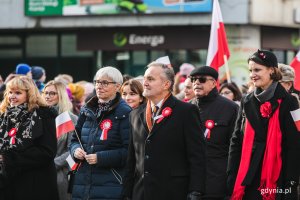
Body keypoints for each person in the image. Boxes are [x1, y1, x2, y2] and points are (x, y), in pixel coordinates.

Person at [122, 61, 206, 200]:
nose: (145, 83)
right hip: (141, 192)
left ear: (166, 84)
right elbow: (132, 158)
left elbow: (197, 155)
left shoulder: (186, 111)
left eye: (150, 79)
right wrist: (126, 192)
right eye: (145, 78)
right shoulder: (135, 114)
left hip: (173, 192)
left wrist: (195, 191)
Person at [227, 49, 300, 200]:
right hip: (246, 177)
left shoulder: (290, 102)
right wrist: (231, 176)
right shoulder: (246, 101)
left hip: (277, 178)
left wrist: (291, 184)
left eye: (257, 70)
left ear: (272, 71)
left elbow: (295, 145)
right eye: (250, 70)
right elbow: (236, 141)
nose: (252, 74)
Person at [69, 66, 132, 200]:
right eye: (97, 82)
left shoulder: (125, 112)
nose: (99, 86)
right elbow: (74, 140)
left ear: (117, 86)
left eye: (105, 83)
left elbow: (129, 152)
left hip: (111, 184)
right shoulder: (86, 109)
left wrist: (100, 157)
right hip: (82, 183)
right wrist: (75, 151)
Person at [0, 75, 58, 200]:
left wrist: (8, 157)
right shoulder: (5, 116)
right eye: (10, 92)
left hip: (35, 184)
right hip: (8, 182)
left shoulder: (43, 115)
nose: (12, 96)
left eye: (18, 93)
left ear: (29, 94)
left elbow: (47, 152)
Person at [189, 66, 239, 200]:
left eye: (201, 79)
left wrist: (231, 181)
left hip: (217, 179)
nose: (196, 83)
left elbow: (235, 148)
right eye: (193, 79)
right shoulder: (187, 108)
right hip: (190, 180)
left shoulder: (230, 108)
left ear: (213, 83)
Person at [43, 80, 78, 200]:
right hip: (38, 173)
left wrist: (52, 164)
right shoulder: (37, 117)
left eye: (52, 93)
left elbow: (72, 149)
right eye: (45, 92)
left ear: (61, 95)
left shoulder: (69, 118)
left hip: (60, 174)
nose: (47, 96)